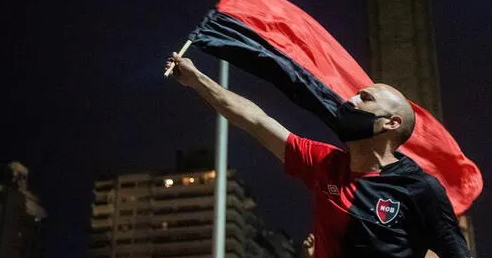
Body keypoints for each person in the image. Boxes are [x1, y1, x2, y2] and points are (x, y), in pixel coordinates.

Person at [165, 53, 472, 258]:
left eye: (364, 98)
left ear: (391, 124)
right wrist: (197, 80)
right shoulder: (325, 163)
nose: (350, 100)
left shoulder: (421, 189)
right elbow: (255, 120)